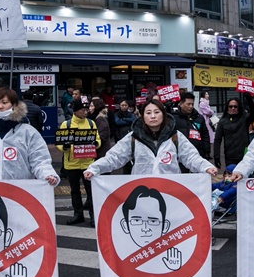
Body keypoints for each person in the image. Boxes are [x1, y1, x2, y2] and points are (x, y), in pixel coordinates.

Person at [85, 98, 218, 179]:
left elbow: (191, 157)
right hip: (141, 192)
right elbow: (114, 157)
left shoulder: (175, 136)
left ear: (163, 115)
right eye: (148, 113)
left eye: (157, 112)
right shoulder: (133, 138)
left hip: (171, 191)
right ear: (143, 116)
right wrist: (94, 168)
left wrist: (206, 167)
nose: (153, 116)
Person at [57, 96, 100, 226]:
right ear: (75, 111)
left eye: (86, 110)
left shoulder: (91, 123)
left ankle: (93, 217)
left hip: (88, 163)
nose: (85, 112)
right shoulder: (67, 124)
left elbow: (97, 140)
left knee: (91, 191)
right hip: (72, 164)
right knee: (75, 191)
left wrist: (95, 143)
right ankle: (78, 215)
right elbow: (60, 142)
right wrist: (64, 146)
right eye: (82, 110)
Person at [212, 94, 254, 171]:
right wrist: (216, 157)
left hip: (244, 156)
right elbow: (217, 139)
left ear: (238, 108)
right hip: (230, 157)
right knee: (231, 179)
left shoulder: (244, 119)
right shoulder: (222, 122)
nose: (233, 108)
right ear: (227, 108)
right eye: (230, 106)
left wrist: (248, 98)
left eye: (235, 106)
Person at [173, 92, 209, 167]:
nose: (191, 106)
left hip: (197, 155)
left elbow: (205, 136)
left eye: (192, 104)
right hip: (180, 156)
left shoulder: (199, 118)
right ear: (181, 103)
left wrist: (206, 152)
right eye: (188, 104)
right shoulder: (174, 118)